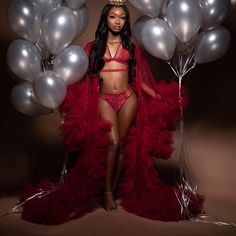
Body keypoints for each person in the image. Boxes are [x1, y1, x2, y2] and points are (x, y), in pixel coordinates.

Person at [19, 0, 203, 225]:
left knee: (123, 144)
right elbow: (83, 77)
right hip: (104, 98)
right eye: (113, 17)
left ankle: (113, 189)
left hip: (128, 98)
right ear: (105, 19)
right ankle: (106, 193)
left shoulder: (131, 47)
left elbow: (139, 78)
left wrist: (158, 96)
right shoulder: (92, 47)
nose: (117, 21)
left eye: (122, 17)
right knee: (113, 143)